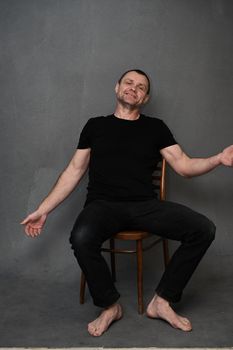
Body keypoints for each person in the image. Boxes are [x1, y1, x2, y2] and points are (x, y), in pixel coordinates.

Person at [21, 69, 233, 337]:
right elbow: (73, 171)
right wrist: (43, 210)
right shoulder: (95, 126)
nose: (134, 88)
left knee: (204, 229)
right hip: (103, 206)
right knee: (81, 237)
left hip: (145, 205)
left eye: (141, 87)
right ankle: (110, 306)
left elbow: (184, 166)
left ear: (145, 98)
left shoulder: (156, 128)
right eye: (129, 83)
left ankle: (162, 301)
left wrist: (217, 159)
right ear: (117, 87)